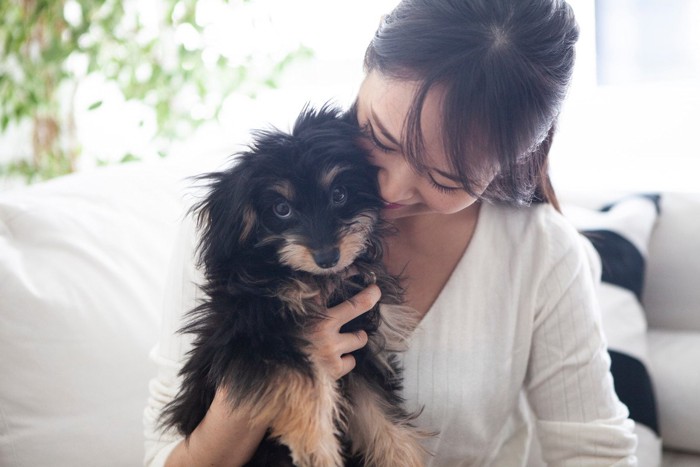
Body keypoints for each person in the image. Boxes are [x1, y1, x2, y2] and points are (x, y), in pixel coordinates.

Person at [143, 0, 638, 465]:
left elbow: (595, 449)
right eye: (380, 136)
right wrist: (266, 373)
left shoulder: (540, 252)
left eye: (446, 178)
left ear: (507, 165)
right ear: (366, 64)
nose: (390, 186)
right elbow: (164, 453)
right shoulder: (242, 222)